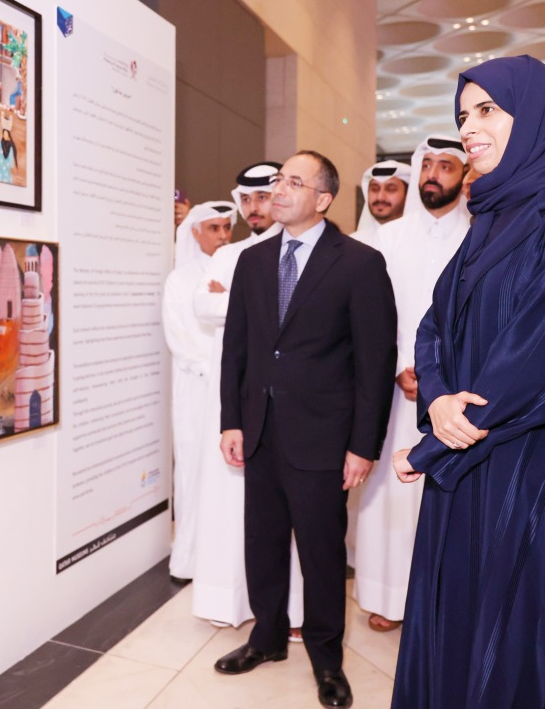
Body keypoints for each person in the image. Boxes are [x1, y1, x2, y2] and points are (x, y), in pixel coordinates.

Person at [391, 55, 545, 709]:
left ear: (535, 116)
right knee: (461, 634)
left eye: (487, 111)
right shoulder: (492, 217)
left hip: (541, 470)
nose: (467, 128)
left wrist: (437, 441)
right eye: (462, 115)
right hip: (470, 460)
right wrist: (437, 400)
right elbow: (435, 323)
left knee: (519, 646)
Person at [215, 151, 397, 709]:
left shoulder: (360, 263)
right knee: (262, 542)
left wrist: (363, 445)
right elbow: (237, 349)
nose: (279, 189)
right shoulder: (252, 260)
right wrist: (231, 420)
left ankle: (326, 658)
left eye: (293, 182)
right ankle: (267, 638)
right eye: (278, 180)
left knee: (321, 554)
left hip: (324, 437)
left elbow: (375, 363)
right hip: (260, 430)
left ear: (323, 199)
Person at [353, 135, 469, 633]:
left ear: (463, 175)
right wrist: (402, 364)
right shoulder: (387, 237)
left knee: (447, 496)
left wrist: (440, 376)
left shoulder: (480, 233)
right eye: (427, 165)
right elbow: (373, 313)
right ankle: (388, 596)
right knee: (390, 496)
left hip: (458, 393)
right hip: (395, 390)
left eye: (446, 166)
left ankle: (443, 606)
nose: (433, 175)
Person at [190, 162, 304, 636]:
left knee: (286, 512)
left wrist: (235, 299)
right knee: (230, 506)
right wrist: (247, 301)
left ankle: (292, 612)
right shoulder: (228, 255)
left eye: (263, 197)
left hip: (286, 402)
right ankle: (229, 601)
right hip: (235, 400)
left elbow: (288, 313)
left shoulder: (300, 250)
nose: (255, 208)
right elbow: (202, 305)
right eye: (247, 200)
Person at [162, 201, 235, 580]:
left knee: (228, 473)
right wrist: (211, 368)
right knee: (193, 466)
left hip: (233, 387)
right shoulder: (180, 279)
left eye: (227, 227)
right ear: (195, 233)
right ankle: (189, 558)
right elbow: (178, 336)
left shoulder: (238, 267)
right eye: (214, 228)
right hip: (196, 386)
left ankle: (225, 558)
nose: (223, 236)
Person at [350, 160, 409, 248]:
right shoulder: (353, 243)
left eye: (391, 189)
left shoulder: (420, 240)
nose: (380, 197)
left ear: (408, 195)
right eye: (374, 189)